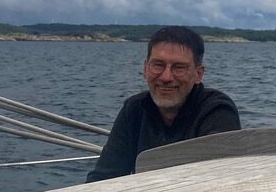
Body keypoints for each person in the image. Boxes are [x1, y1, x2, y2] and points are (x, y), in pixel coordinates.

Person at [87, 26, 240, 181]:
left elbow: (217, 180)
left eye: (179, 68)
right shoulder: (134, 110)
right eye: (158, 65)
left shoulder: (217, 111)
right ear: (145, 69)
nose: (166, 77)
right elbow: (103, 177)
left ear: (198, 74)